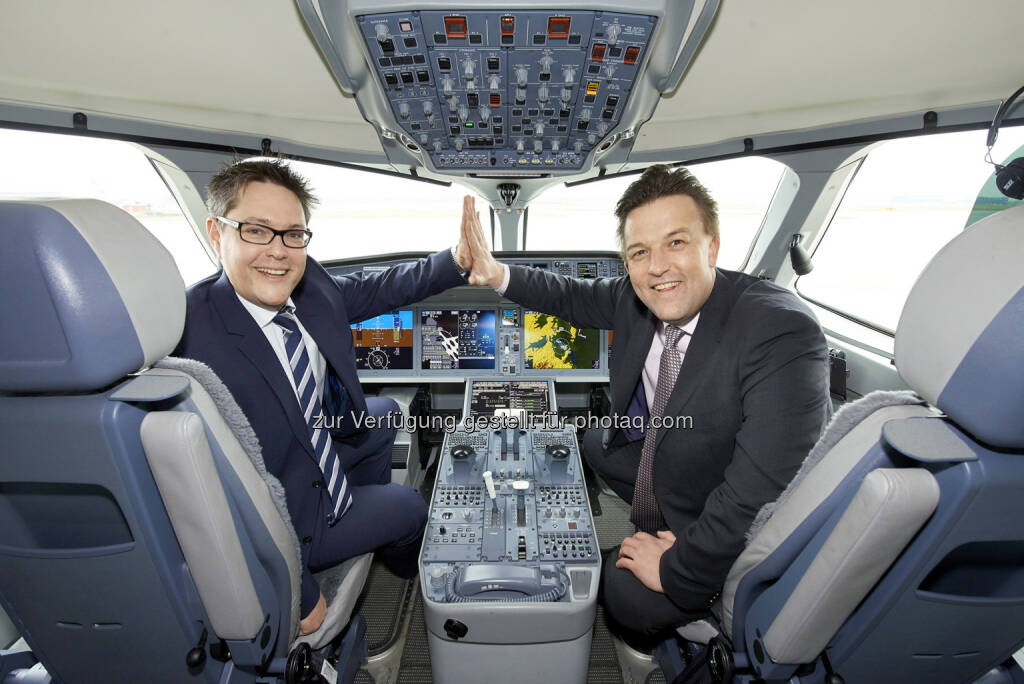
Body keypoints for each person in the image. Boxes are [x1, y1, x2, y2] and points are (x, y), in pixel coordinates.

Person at [458, 165, 831, 640]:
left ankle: (702, 592)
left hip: (735, 507)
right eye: (640, 252)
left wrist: (680, 565)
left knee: (620, 591)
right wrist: (495, 274)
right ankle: (662, 517)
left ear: (711, 246)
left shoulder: (778, 332)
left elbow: (759, 493)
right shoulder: (635, 296)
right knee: (596, 443)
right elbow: (568, 295)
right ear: (627, 261)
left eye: (675, 243)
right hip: (685, 461)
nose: (657, 267)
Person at [174, 160, 470, 635]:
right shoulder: (188, 337)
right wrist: (296, 586)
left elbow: (382, 288)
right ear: (216, 232)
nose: (278, 251)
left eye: (293, 234)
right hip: (281, 515)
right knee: (411, 508)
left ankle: (354, 503)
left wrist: (455, 260)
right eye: (257, 231)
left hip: (313, 442)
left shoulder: (308, 287)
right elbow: (208, 492)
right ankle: (400, 567)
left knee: (385, 413)